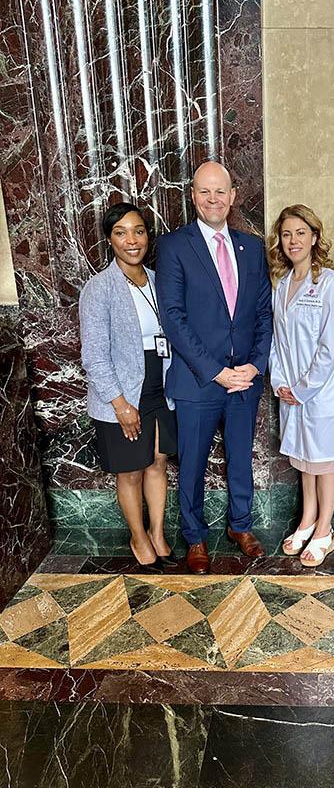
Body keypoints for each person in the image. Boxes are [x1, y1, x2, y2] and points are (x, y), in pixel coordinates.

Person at [155, 162, 272, 575]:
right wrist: (216, 371)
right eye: (204, 192)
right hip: (197, 381)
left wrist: (255, 366)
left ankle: (240, 526)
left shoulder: (252, 247)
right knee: (192, 463)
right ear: (192, 196)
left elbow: (263, 313)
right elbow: (173, 319)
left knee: (240, 456)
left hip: (245, 380)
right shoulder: (173, 247)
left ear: (233, 195)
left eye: (220, 191)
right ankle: (196, 538)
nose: (213, 199)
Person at [79, 203, 178, 572]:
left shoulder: (157, 279)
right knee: (131, 470)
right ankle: (138, 537)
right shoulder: (99, 289)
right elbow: (94, 356)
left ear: (147, 235)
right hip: (121, 391)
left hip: (158, 384)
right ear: (110, 239)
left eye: (138, 231)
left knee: (157, 462)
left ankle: (157, 532)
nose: (131, 240)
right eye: (121, 232)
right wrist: (121, 404)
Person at [268, 205, 334, 567]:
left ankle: (325, 531)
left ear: (314, 237)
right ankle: (306, 521)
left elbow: (330, 347)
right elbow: (276, 343)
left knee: (324, 463)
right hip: (291, 393)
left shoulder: (331, 283)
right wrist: (281, 383)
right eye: (287, 234)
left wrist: (302, 390)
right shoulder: (282, 285)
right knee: (304, 462)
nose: (293, 240)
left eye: (301, 233)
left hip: (320, 394)